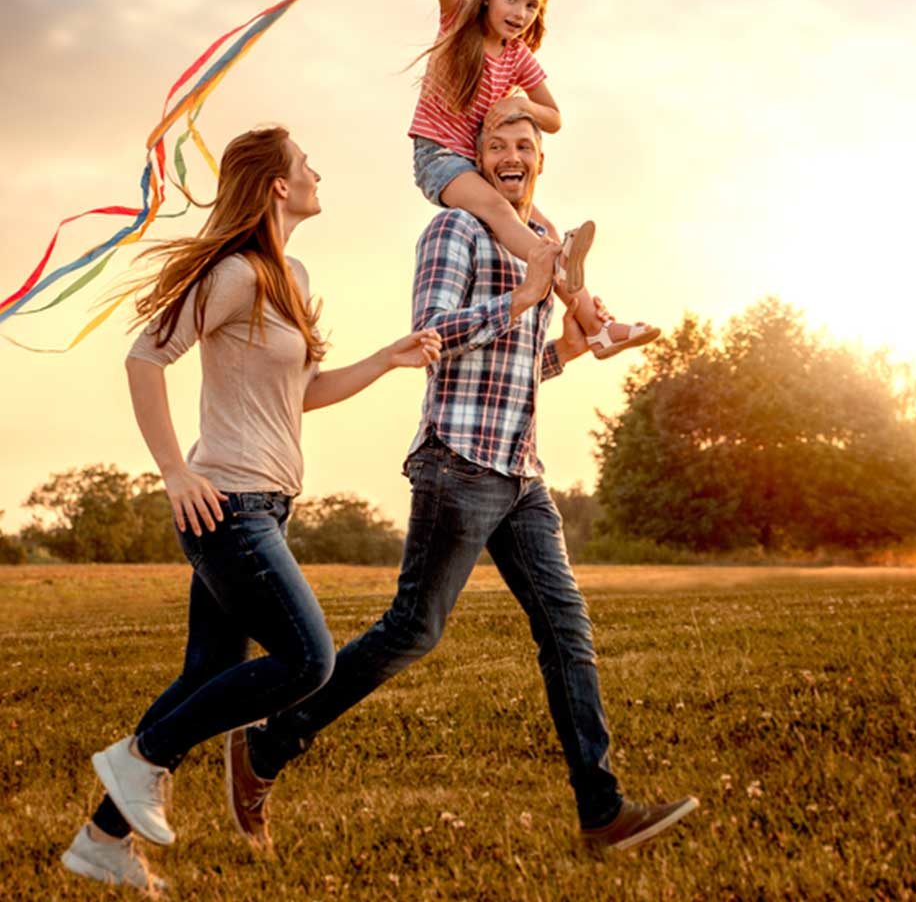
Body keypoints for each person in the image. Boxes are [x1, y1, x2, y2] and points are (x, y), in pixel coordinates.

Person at [225, 111, 698, 852]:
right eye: (497, 147)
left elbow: (515, 371)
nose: (512, 157)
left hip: (521, 470)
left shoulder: (534, 246)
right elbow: (434, 336)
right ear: (475, 163)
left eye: (525, 148)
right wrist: (522, 297)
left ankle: (601, 813)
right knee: (413, 630)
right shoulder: (455, 232)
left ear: (540, 162)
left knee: (566, 630)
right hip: (458, 462)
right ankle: (267, 746)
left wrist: (567, 348)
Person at [61, 126, 441, 892]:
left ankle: (100, 842)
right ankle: (141, 757)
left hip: (266, 503)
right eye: (306, 163)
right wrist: (174, 471)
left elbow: (300, 395)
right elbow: (146, 356)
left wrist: (385, 359)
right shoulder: (234, 272)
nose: (316, 172)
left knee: (209, 669)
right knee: (309, 660)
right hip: (224, 503)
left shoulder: (288, 274)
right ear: (275, 183)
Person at [405, 0, 660, 361]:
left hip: (476, 163)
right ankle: (553, 261)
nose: (520, 12)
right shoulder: (458, 23)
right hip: (439, 158)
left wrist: (523, 105)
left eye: (531, 6)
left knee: (542, 227)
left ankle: (598, 328)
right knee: (507, 218)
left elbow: (555, 117)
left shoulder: (518, 56)